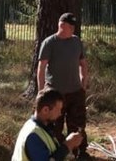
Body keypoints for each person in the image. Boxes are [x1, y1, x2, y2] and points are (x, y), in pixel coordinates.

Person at [37, 13, 90, 159]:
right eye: (70, 26)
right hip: (55, 93)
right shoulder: (49, 43)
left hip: (75, 92)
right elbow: (41, 68)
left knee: (78, 125)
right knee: (54, 127)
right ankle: (57, 154)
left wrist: (83, 83)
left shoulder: (76, 41)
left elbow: (83, 64)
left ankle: (80, 153)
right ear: (61, 26)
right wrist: (41, 91)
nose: (73, 29)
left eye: (74, 26)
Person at [12, 88, 83, 161]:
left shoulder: (41, 128)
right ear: (45, 110)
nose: (60, 114)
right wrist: (67, 145)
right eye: (58, 110)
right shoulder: (33, 135)